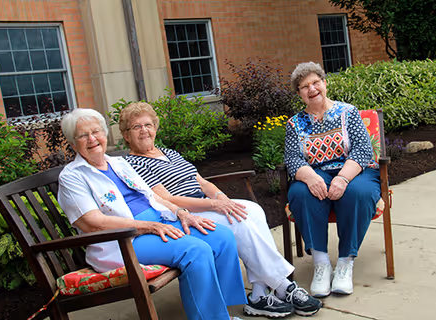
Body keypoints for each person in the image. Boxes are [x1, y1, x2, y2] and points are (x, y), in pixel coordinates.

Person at [119, 102, 323, 318]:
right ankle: (283, 286)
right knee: (239, 222)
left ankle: (260, 293)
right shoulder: (132, 164)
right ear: (126, 135)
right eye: (136, 127)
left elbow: (202, 182)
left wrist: (221, 197)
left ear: (155, 127)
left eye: (148, 125)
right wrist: (213, 204)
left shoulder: (169, 153)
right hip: (184, 217)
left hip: (205, 204)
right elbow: (166, 199)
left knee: (253, 210)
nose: (144, 131)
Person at [57, 108, 247, 320]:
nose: (92, 139)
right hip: (124, 240)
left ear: (104, 134)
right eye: (83, 135)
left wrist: (181, 212)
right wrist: (149, 227)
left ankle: (220, 310)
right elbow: (93, 223)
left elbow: (152, 197)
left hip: (158, 224)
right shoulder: (72, 177)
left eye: (96, 131)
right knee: (195, 250)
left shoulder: (119, 163)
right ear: (73, 143)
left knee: (221, 237)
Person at [284, 62, 381, 298]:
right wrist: (311, 178)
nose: (312, 89)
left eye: (316, 82)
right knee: (300, 193)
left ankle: (346, 262)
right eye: (304, 86)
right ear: (299, 94)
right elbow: (292, 159)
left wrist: (343, 179)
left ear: (324, 84)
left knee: (358, 193)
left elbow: (362, 150)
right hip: (316, 173)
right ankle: (321, 263)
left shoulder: (348, 112)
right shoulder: (294, 124)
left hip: (354, 171)